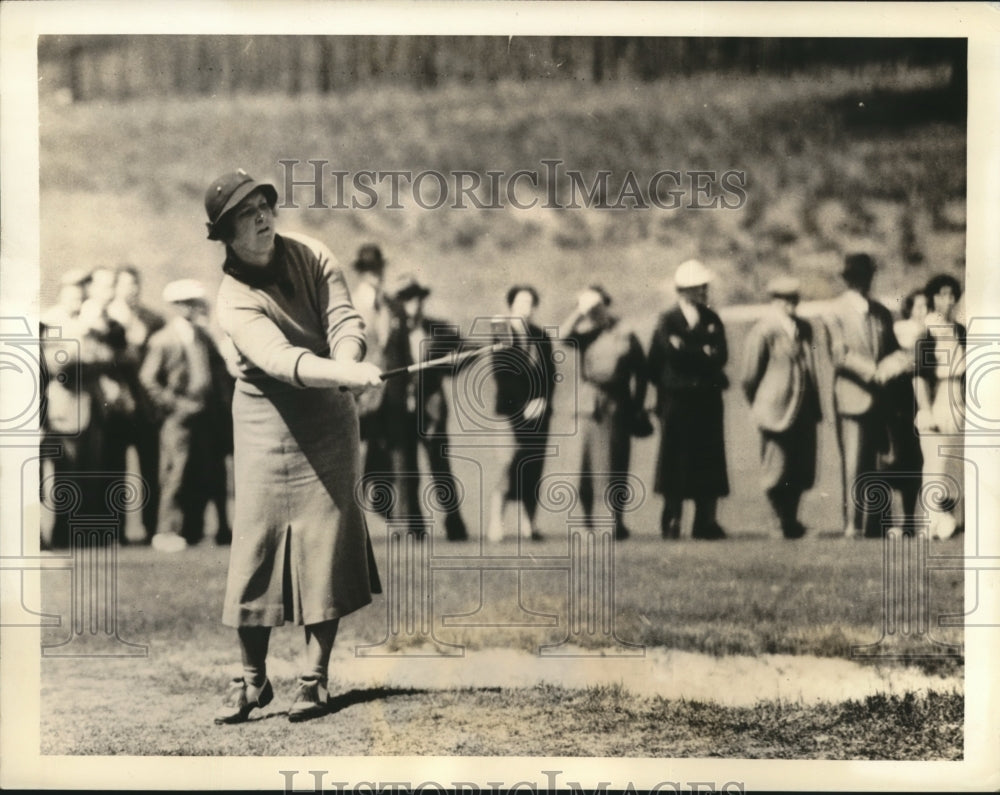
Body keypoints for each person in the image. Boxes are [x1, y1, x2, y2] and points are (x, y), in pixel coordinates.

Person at [206, 169, 383, 724]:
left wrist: (351, 360)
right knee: (254, 548)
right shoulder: (233, 299)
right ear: (226, 234)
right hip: (263, 416)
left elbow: (343, 318)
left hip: (327, 421)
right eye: (245, 213)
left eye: (264, 205)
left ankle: (315, 678)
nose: (261, 217)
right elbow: (281, 360)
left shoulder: (311, 253)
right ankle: (254, 681)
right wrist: (340, 372)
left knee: (323, 545)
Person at [370, 273, 469, 541]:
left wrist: (457, 355)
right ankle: (411, 528)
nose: (413, 304)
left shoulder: (437, 329)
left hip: (431, 412)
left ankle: (455, 525)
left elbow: (460, 356)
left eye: (417, 299)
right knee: (405, 470)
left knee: (441, 470)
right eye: (406, 299)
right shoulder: (390, 333)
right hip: (399, 413)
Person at [140, 279, 234, 551]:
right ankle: (167, 531)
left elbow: (219, 374)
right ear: (178, 306)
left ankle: (192, 530)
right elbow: (148, 379)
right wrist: (174, 404)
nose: (199, 308)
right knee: (175, 472)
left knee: (204, 473)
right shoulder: (163, 339)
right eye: (192, 303)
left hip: (206, 416)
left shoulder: (203, 337)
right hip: (179, 418)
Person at [647, 260, 729, 540]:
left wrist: (690, 350)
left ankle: (705, 522)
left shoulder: (711, 319)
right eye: (699, 287)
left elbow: (720, 355)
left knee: (707, 460)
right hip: (677, 401)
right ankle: (672, 520)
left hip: (706, 400)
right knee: (675, 461)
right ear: (684, 290)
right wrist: (701, 352)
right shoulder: (667, 320)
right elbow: (665, 358)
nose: (704, 292)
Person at [824, 253, 903, 538]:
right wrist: (874, 371)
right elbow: (839, 354)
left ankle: (877, 524)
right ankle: (853, 525)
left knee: (879, 462)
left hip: (880, 398)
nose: (864, 280)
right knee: (854, 464)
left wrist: (893, 364)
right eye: (859, 275)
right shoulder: (833, 312)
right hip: (853, 397)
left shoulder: (881, 311)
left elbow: (894, 349)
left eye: (867, 274)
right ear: (849, 278)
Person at [559, 285, 647, 540]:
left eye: (598, 306)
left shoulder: (625, 332)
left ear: (607, 304)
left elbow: (640, 372)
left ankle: (615, 522)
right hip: (587, 405)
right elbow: (562, 336)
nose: (595, 312)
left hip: (617, 405)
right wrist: (579, 311)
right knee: (583, 467)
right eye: (591, 308)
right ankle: (585, 524)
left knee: (615, 465)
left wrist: (638, 406)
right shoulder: (585, 332)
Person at [740, 277, 821, 539]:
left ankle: (792, 521)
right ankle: (778, 522)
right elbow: (749, 376)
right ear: (774, 301)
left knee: (800, 468)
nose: (790, 304)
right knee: (776, 469)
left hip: (803, 409)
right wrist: (763, 403)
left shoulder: (804, 328)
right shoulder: (764, 330)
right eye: (784, 299)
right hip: (775, 410)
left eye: (794, 299)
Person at [487, 285, 557, 541]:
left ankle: (530, 523)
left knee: (533, 468)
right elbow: (502, 374)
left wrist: (542, 401)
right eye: (521, 302)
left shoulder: (541, 336)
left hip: (538, 415)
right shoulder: (502, 332)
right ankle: (497, 522)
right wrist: (522, 406)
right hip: (509, 414)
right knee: (508, 465)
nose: (526, 307)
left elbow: (550, 376)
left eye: (530, 302)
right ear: (511, 305)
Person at [108, 264, 165, 543]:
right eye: (125, 284)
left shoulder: (153, 320)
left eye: (135, 285)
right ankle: (117, 531)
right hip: (116, 406)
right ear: (116, 287)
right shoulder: (105, 318)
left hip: (145, 407)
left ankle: (151, 528)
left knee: (150, 469)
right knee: (115, 470)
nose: (131, 290)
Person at [914, 273, 966, 540]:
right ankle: (930, 523)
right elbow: (920, 377)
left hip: (958, 399)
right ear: (933, 298)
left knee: (953, 465)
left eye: (952, 295)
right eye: (942, 295)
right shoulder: (927, 334)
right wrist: (925, 409)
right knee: (935, 463)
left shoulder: (960, 332)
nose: (948, 300)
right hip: (937, 399)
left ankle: (950, 520)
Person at [351, 244, 393, 441]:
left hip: (387, 396)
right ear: (362, 273)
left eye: (377, 268)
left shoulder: (385, 305)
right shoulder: (353, 305)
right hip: (363, 395)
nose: (376, 274)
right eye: (370, 269)